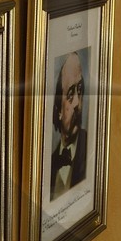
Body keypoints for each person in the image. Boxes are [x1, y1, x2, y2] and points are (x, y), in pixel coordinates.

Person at [49, 51, 88, 198]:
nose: (78, 102)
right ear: (58, 109)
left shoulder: (91, 146)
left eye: (80, 90)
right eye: (71, 95)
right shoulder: (50, 162)